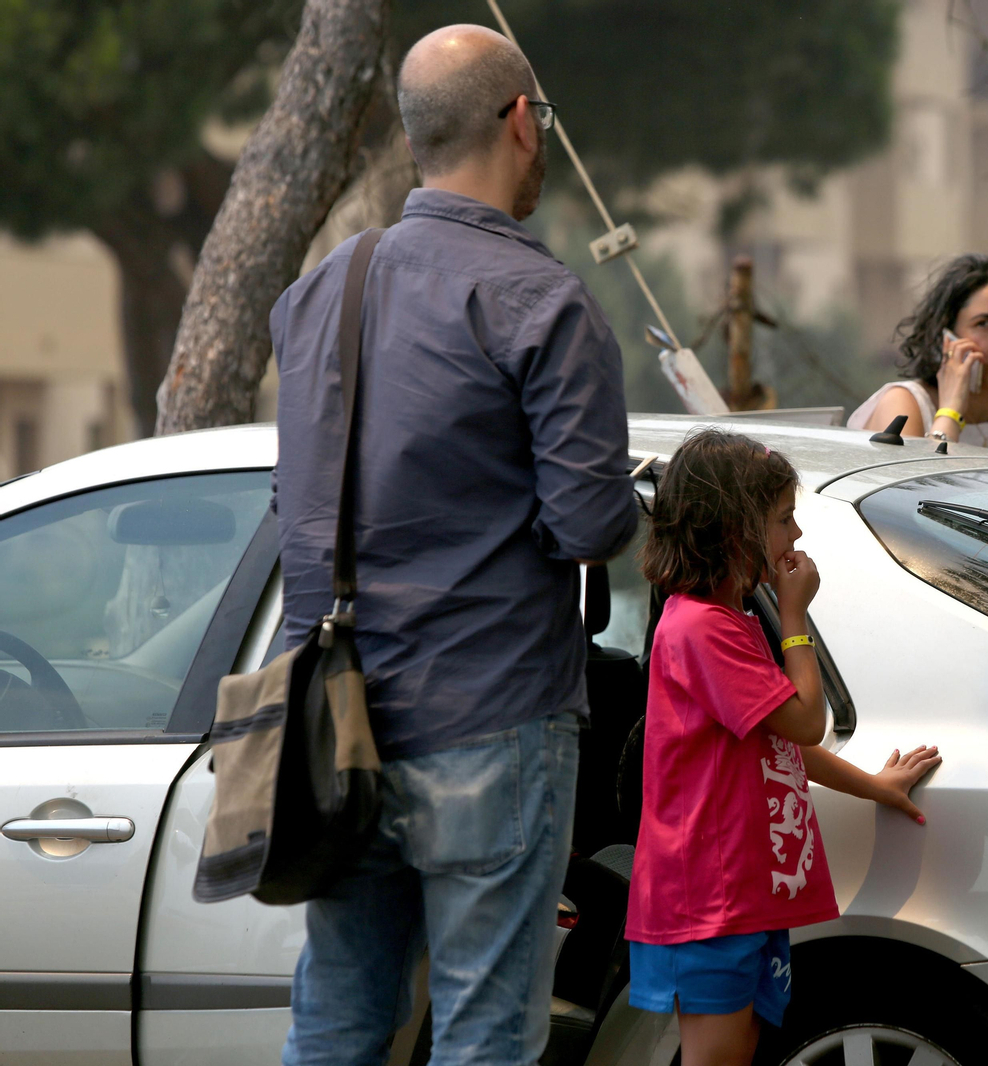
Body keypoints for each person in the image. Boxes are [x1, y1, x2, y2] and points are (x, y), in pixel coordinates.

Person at [270, 24, 638, 1065]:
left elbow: (295, 499)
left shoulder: (317, 294)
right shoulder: (541, 299)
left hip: (333, 723)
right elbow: (589, 526)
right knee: (484, 1032)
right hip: (490, 710)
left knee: (337, 1015)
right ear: (522, 122)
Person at [627, 430, 941, 1066]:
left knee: (739, 1049)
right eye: (782, 519)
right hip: (708, 897)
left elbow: (777, 744)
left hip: (740, 891)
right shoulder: (700, 628)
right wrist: (794, 617)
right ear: (734, 528)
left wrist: (872, 785)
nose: (795, 535)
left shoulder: (728, 620)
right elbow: (804, 722)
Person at [847, 255, 988, 453]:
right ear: (946, 336)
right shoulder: (904, 403)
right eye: (984, 324)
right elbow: (916, 493)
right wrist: (950, 412)